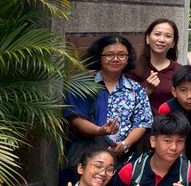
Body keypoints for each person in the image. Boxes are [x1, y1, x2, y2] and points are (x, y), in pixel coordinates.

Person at [64, 34, 153, 167]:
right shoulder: (82, 86)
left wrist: (125, 144)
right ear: (99, 57)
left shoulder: (136, 90)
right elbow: (76, 120)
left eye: (122, 55)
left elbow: (142, 123)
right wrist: (100, 131)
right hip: (88, 156)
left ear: (128, 58)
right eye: (109, 55)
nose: (116, 59)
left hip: (123, 160)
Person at [135, 18, 184, 108]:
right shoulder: (133, 70)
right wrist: (148, 90)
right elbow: (126, 107)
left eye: (168, 36)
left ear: (173, 43)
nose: (161, 40)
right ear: (147, 38)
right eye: (157, 34)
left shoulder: (181, 71)